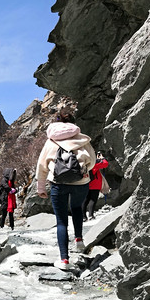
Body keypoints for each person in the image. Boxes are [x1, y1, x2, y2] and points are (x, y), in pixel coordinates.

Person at [35, 108, 95, 270]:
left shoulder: (51, 141)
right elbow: (93, 161)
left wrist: (41, 187)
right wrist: (83, 171)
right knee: (76, 208)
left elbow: (42, 166)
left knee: (61, 221)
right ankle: (79, 239)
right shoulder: (82, 139)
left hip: (58, 184)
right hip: (81, 183)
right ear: (73, 123)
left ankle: (64, 260)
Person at [83, 151, 109, 221]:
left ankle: (83, 217)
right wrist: (102, 158)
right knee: (93, 200)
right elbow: (105, 164)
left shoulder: (84, 164)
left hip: (85, 183)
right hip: (94, 185)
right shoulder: (93, 164)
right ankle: (91, 215)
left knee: (85, 200)